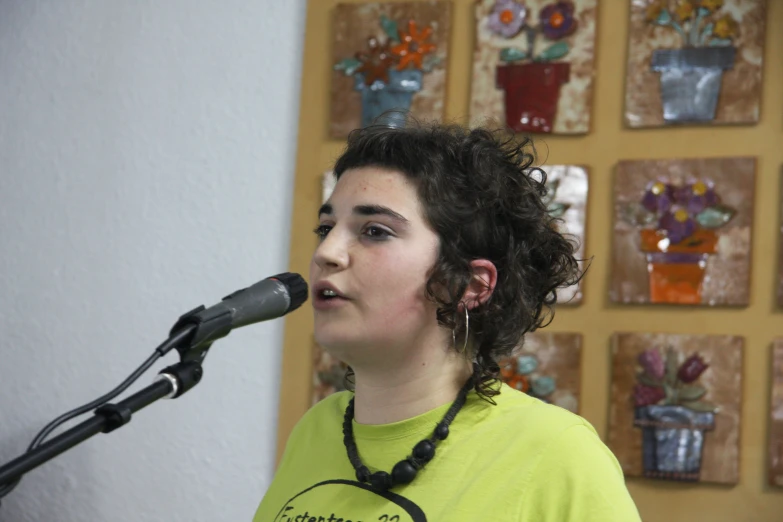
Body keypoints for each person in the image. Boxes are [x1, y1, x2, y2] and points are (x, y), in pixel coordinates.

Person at [254, 119, 641, 522]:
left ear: (470, 285)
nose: (326, 253)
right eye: (326, 227)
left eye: (374, 230)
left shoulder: (557, 454)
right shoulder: (316, 429)